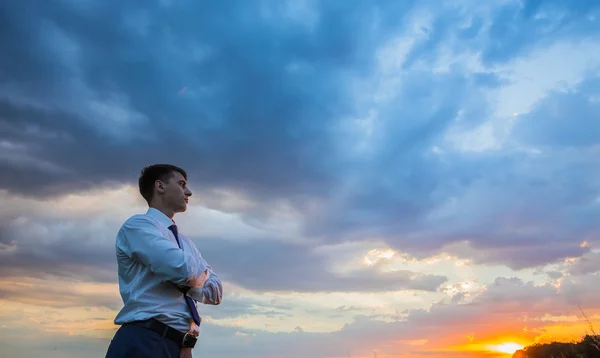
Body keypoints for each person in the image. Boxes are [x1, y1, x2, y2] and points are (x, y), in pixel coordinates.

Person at [105, 164, 223, 358]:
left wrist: (186, 278)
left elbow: (216, 291)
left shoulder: (186, 243)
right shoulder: (137, 226)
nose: (189, 192)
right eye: (182, 184)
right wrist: (197, 274)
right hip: (145, 340)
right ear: (160, 186)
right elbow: (181, 269)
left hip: (180, 347)